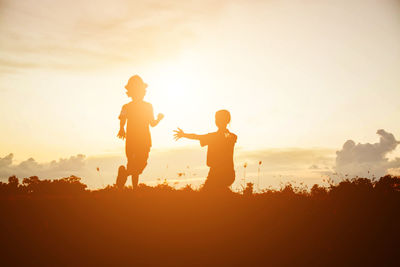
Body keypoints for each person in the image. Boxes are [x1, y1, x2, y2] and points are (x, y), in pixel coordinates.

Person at [116, 75, 164, 188]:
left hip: (133, 140)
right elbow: (153, 123)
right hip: (142, 140)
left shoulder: (128, 106)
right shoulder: (146, 106)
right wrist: (159, 118)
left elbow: (122, 119)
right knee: (138, 164)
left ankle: (127, 176)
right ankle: (134, 186)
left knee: (134, 164)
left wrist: (122, 128)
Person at [174, 110, 237, 191]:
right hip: (229, 173)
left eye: (218, 119)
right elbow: (198, 136)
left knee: (207, 195)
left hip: (217, 173)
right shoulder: (232, 136)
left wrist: (184, 135)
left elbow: (197, 137)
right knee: (218, 192)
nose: (217, 121)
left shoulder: (214, 136)